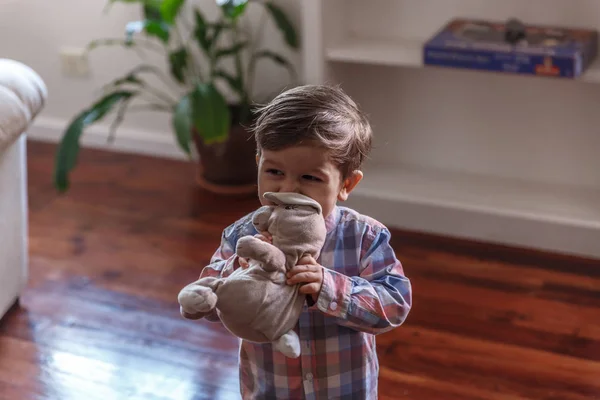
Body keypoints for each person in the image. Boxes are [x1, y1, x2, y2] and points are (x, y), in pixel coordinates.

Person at [182, 84, 412, 399]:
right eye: (274, 171)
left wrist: (328, 287)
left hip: (344, 390)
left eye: (310, 178)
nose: (289, 187)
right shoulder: (241, 236)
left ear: (346, 184)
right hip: (270, 390)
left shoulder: (364, 237)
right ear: (258, 162)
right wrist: (237, 271)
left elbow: (394, 305)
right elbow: (207, 302)